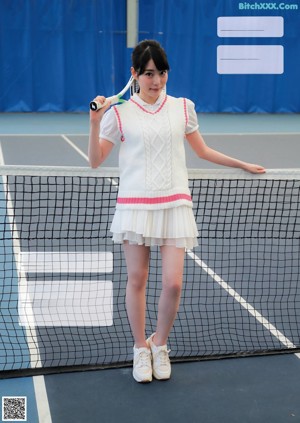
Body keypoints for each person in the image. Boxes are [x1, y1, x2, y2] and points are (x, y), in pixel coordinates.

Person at [88, 39, 265, 383]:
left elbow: (202, 150)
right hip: (135, 205)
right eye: (149, 73)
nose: (156, 81)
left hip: (174, 204)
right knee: (137, 279)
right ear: (135, 74)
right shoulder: (119, 114)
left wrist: (241, 163)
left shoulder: (183, 107)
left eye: (162, 73)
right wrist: (95, 121)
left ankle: (160, 344)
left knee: (173, 284)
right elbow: (96, 161)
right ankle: (140, 348)